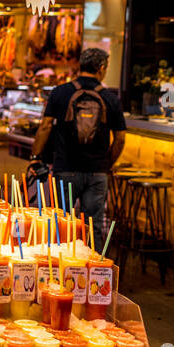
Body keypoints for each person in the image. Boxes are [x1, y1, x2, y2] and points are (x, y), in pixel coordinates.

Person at [30, 48, 126, 249]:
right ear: (102, 68)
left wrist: (35, 157)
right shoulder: (111, 98)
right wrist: (107, 163)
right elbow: (120, 138)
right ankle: (95, 275)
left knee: (60, 224)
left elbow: (45, 126)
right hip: (97, 171)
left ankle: (58, 270)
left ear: (79, 66)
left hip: (65, 168)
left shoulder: (60, 92)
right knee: (93, 228)